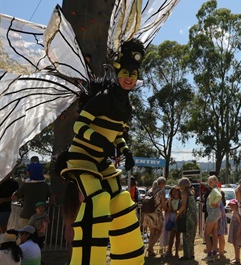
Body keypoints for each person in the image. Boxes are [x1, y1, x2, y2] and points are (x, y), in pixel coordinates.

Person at [57, 39, 146, 264]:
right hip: (82, 157)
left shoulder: (126, 107)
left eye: (133, 74)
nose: (129, 78)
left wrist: (125, 152)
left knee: (122, 201)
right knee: (98, 199)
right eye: (126, 72)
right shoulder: (103, 98)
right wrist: (99, 141)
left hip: (101, 159)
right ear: (117, 72)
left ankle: (129, 260)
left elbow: (115, 134)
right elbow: (79, 126)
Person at [143, 177, 167, 257]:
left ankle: (151, 252)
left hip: (148, 213)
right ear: (162, 184)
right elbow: (163, 205)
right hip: (157, 214)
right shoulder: (161, 192)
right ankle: (150, 248)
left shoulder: (150, 190)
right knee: (159, 231)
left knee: (152, 232)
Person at [177, 177, 197, 261]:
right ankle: (191, 253)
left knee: (186, 236)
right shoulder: (192, 191)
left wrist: (177, 213)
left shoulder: (185, 193)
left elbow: (183, 205)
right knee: (192, 236)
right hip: (193, 216)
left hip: (187, 217)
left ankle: (187, 255)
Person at [202, 175, 222, 261]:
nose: (209, 183)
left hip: (213, 213)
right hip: (216, 213)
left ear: (215, 181)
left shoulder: (214, 190)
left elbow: (219, 196)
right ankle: (214, 252)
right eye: (208, 182)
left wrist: (214, 203)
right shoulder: (215, 189)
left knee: (206, 234)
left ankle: (209, 254)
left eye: (211, 181)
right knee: (214, 234)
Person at [165, 186, 181, 258]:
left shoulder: (181, 200)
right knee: (171, 236)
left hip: (179, 219)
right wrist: (170, 203)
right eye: (173, 192)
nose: (174, 193)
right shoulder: (170, 200)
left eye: (176, 191)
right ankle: (169, 251)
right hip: (172, 218)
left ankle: (177, 252)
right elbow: (169, 211)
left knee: (178, 236)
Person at [227, 199, 241, 265]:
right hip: (233, 230)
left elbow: (240, 223)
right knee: (234, 244)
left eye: (233, 205)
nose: (231, 206)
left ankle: (238, 259)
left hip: (236, 230)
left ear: (236, 205)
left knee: (236, 245)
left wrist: (239, 231)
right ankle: (236, 257)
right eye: (230, 205)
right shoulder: (233, 212)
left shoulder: (236, 213)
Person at [216, 190, 228, 260]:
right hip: (220, 220)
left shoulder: (219, 202)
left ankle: (221, 252)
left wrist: (218, 223)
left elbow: (220, 213)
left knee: (220, 236)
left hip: (220, 220)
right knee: (219, 236)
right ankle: (220, 251)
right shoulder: (220, 202)